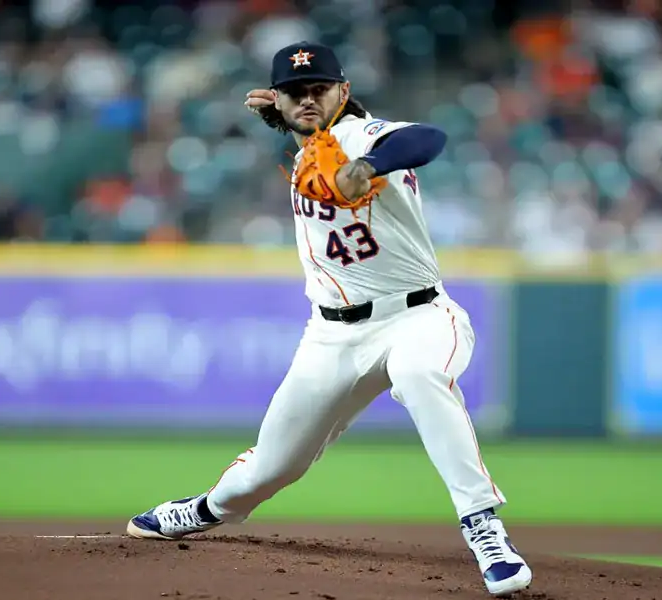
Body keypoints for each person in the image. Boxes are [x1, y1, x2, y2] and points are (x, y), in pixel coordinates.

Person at [126, 42, 533, 597]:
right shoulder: (307, 148)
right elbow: (313, 139)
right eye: (296, 92)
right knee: (273, 467)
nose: (309, 99)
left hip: (418, 315)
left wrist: (366, 167)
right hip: (332, 335)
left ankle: (483, 526)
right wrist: (297, 126)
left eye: (320, 88)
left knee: (420, 375)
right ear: (277, 100)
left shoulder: (366, 136)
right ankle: (208, 508)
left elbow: (427, 140)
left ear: (344, 90)